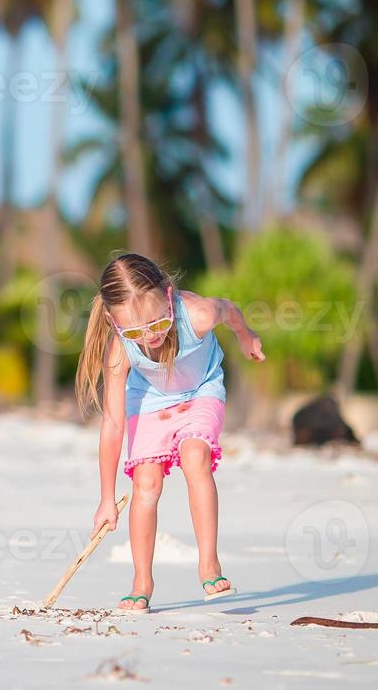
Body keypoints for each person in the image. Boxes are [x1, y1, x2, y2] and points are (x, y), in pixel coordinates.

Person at [75, 252, 264, 612]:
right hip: (149, 401)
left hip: (201, 390)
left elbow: (230, 309)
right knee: (145, 484)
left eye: (156, 324)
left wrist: (246, 334)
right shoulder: (121, 350)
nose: (148, 338)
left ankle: (209, 563)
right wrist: (105, 498)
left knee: (196, 457)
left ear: (169, 295)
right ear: (114, 324)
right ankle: (141, 582)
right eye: (133, 331)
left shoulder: (198, 314)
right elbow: (113, 423)